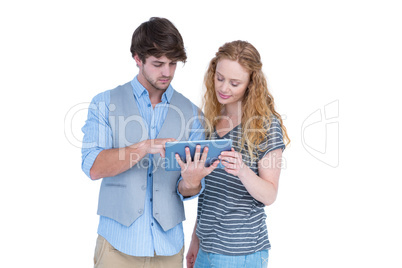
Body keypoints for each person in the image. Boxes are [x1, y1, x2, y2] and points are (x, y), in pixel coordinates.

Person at [81, 17, 217, 268]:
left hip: (168, 249)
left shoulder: (192, 114)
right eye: (158, 64)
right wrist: (143, 147)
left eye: (173, 63)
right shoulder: (104, 103)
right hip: (116, 247)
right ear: (137, 58)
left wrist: (191, 181)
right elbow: (93, 166)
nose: (167, 72)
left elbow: (190, 190)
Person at [186, 40, 290, 268]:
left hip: (241, 254)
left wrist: (243, 171)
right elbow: (208, 194)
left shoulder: (265, 126)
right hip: (206, 248)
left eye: (234, 83)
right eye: (219, 78)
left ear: (251, 84)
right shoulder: (211, 121)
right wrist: (195, 240)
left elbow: (270, 195)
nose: (223, 88)